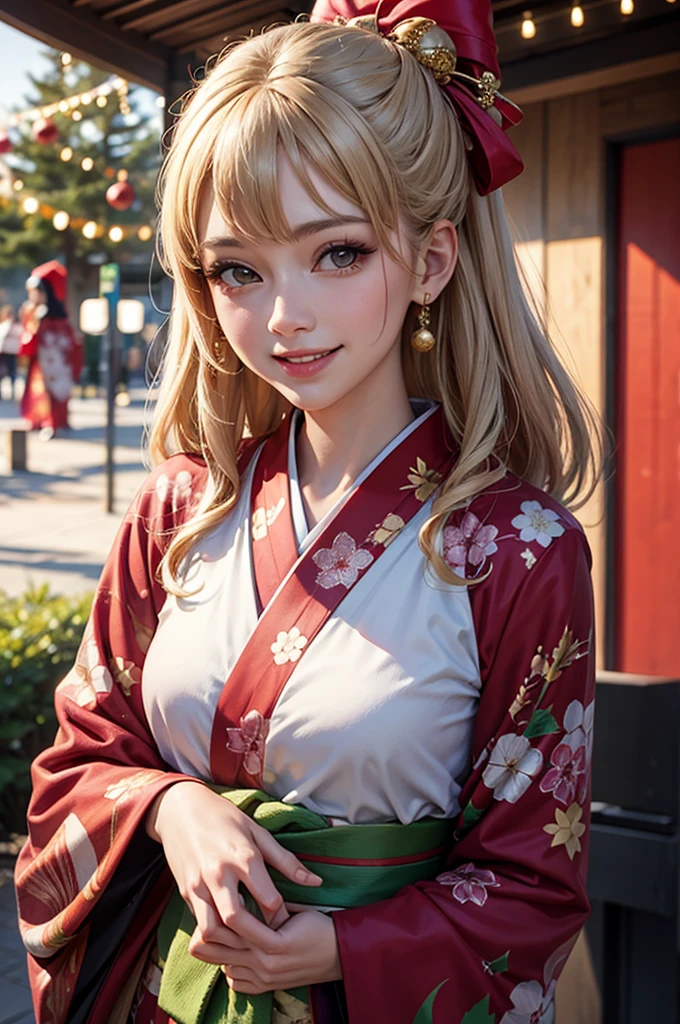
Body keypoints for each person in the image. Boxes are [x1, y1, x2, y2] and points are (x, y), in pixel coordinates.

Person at [15, 2, 602, 1022]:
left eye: (336, 254)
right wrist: (168, 806)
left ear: (429, 261)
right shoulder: (175, 511)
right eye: (238, 268)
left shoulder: (520, 552)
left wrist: (339, 944)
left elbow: (531, 887)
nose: (284, 315)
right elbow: (77, 763)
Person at [18, 260, 83, 440]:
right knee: (42, 394)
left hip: (55, 361)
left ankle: (54, 422)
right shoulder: (39, 313)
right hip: (45, 362)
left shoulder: (44, 315)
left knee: (55, 393)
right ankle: (41, 420)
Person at [0, 304, 23, 400]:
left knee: (12, 372)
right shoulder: (3, 325)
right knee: (1, 373)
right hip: (3, 352)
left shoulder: (17, 326)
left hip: (12, 352)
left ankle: (13, 391)